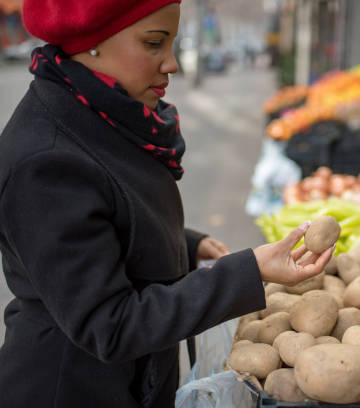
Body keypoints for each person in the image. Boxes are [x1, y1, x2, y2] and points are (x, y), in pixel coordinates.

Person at [0, 1, 333, 407]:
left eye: (171, 42)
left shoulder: (107, 110)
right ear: (91, 42)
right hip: (71, 388)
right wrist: (248, 272)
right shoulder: (46, 163)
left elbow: (110, 217)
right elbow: (110, 325)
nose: (172, 63)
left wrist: (183, 244)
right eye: (154, 43)